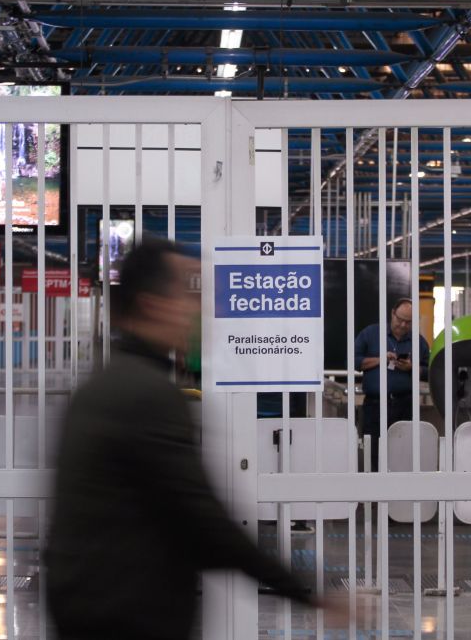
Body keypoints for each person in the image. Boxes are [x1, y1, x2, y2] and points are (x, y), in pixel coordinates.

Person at [46, 238, 332, 640]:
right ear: (151, 304)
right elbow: (205, 523)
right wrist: (305, 592)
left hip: (86, 609)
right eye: (186, 294)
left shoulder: (97, 390)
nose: (197, 309)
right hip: (130, 618)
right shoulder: (148, 396)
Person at [354, 298, 430, 471]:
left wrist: (412, 368)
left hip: (405, 405)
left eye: (408, 322)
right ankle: (374, 494)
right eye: (400, 319)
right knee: (373, 451)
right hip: (375, 405)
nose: (403, 325)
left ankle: (400, 495)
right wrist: (381, 359)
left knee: (404, 452)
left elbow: (430, 370)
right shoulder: (370, 334)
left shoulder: (418, 342)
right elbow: (353, 361)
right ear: (392, 314)